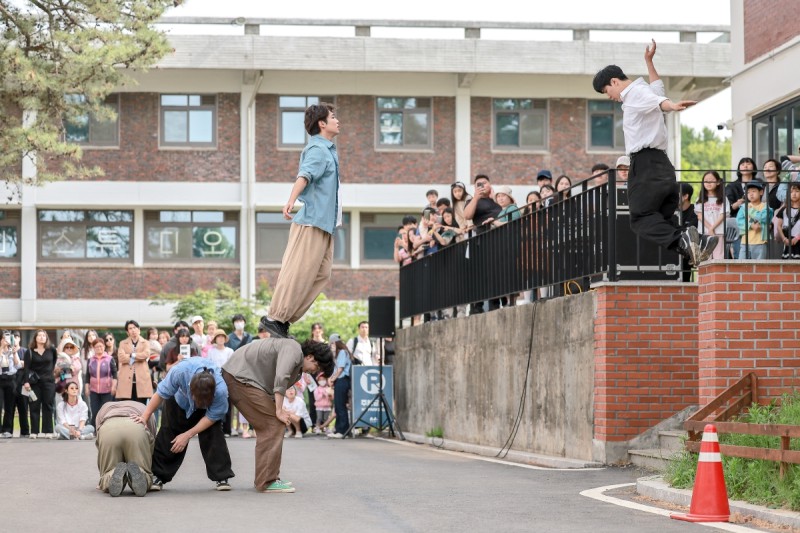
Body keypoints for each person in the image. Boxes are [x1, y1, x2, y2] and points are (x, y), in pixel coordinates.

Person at [592, 39, 715, 266]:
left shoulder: (634, 95)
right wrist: (649, 62)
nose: (609, 96)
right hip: (663, 167)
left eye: (606, 90)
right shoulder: (642, 89)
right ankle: (700, 241)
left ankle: (684, 238)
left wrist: (673, 105)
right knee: (660, 217)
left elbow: (658, 100)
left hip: (645, 165)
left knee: (640, 219)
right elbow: (657, 89)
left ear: (614, 81)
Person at [261, 102, 341, 339]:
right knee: (298, 271)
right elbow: (304, 175)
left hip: (324, 225)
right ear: (322, 123)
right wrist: (290, 201)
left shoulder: (327, 150)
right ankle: (275, 316)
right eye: (333, 117)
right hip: (311, 222)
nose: (338, 121)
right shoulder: (317, 149)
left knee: (322, 274)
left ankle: (284, 318)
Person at [221, 335, 334, 493]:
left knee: (270, 425)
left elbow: (273, 390)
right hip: (239, 377)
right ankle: (266, 481)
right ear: (310, 357)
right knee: (273, 424)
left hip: (244, 379)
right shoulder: (294, 350)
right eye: (317, 368)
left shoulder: (298, 372)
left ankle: (268, 477)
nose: (315, 372)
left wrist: (278, 408)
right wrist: (278, 410)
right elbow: (280, 378)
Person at [133, 356, 235, 492]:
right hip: (179, 402)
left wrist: (187, 435)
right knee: (168, 433)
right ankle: (158, 475)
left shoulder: (220, 390)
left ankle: (221, 476)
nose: (198, 403)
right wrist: (144, 417)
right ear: (190, 389)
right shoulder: (180, 372)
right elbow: (161, 394)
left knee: (214, 435)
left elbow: (212, 416)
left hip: (207, 412)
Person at [95, 400, 156, 497]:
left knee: (108, 470)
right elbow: (152, 437)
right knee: (143, 469)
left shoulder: (105, 407)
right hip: (136, 427)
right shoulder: (144, 407)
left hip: (109, 428)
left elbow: (99, 437)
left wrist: (102, 474)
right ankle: (142, 475)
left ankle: (109, 477)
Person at [25, 329, 57, 439]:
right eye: (39, 335)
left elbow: (54, 363)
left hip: (49, 382)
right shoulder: (29, 351)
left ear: (46, 338)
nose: (42, 337)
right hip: (34, 383)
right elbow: (26, 368)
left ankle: (48, 430)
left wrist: (50, 374)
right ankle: (34, 431)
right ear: (35, 338)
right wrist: (26, 382)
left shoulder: (51, 350)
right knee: (34, 406)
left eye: (44, 335)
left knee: (48, 405)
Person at [115, 320, 153, 405]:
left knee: (140, 407)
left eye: (135, 328)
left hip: (142, 380)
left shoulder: (145, 342)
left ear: (139, 329)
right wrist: (138, 357)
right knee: (127, 407)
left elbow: (146, 354)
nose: (133, 330)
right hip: (126, 380)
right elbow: (121, 358)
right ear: (127, 332)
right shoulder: (122, 343)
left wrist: (131, 355)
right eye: (130, 328)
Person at [725, 157, 756, 258]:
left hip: (756, 221)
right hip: (738, 222)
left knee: (756, 253)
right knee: (739, 253)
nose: (745, 166)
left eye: (748, 164)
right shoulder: (731, 186)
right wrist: (737, 203)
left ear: (753, 167)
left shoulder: (760, 183)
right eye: (742, 164)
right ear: (739, 168)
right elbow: (728, 207)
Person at [85, 336, 118, 428]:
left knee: (105, 410)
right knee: (95, 410)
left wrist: (113, 387)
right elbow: (87, 375)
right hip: (94, 390)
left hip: (107, 390)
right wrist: (87, 388)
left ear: (104, 347)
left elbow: (115, 374)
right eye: (97, 347)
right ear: (93, 348)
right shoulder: (90, 360)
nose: (99, 348)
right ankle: (94, 429)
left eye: (101, 346)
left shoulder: (109, 359)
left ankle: (105, 429)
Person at [207, 330, 235, 436]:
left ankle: (227, 429)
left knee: (227, 404)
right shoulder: (211, 351)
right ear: (215, 339)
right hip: (213, 379)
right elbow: (208, 365)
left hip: (226, 379)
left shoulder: (230, 351)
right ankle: (214, 428)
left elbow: (232, 365)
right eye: (218, 337)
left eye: (222, 337)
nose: (220, 339)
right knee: (213, 404)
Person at [695, 171, 728, 260]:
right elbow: (699, 215)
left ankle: (719, 274)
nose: (708, 183)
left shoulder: (723, 198)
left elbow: (723, 215)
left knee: (719, 257)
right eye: (706, 181)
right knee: (705, 257)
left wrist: (712, 228)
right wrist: (710, 229)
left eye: (711, 180)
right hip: (704, 232)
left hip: (719, 231)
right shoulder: (700, 198)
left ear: (718, 182)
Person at [737, 180, 773, 260]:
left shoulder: (765, 207)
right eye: (748, 192)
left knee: (759, 267)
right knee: (741, 266)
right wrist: (751, 225)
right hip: (745, 242)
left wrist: (750, 212)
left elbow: (762, 218)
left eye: (753, 191)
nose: (751, 194)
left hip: (760, 242)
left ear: (761, 192)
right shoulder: (743, 207)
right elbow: (739, 221)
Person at [328, 334, 353, 439]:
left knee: (340, 405)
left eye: (332, 343)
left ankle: (343, 430)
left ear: (335, 343)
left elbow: (340, 369)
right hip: (341, 380)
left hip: (342, 380)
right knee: (338, 406)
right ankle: (339, 429)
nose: (331, 346)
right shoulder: (341, 352)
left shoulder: (342, 352)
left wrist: (332, 378)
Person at [0, 331, 22, 438]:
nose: (6, 340)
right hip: (0, 378)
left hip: (11, 378)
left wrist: (14, 352)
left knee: (9, 406)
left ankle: (7, 430)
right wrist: (1, 348)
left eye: (8, 338)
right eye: (4, 338)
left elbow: (18, 366)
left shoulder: (12, 349)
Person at [778, 183, 800, 259]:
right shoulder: (784, 210)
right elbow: (778, 226)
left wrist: (797, 237)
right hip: (788, 241)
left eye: (797, 191)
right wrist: (784, 239)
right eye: (791, 192)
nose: (794, 194)